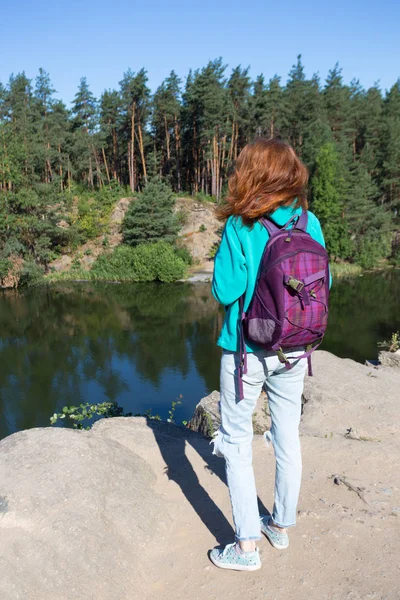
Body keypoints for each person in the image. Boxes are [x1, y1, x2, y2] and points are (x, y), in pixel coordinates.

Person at [209, 138, 329, 571]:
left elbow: (226, 289)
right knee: (286, 435)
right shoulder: (308, 220)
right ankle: (278, 525)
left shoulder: (242, 226)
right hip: (296, 347)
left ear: (250, 174)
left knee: (238, 443)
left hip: (246, 351)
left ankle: (245, 548)